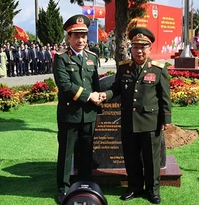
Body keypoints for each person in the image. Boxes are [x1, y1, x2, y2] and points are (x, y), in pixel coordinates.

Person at [104, 27, 171, 204]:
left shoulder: (158, 69)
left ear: (149, 48)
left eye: (143, 47)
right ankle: (134, 187)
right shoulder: (124, 67)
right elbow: (116, 89)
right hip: (129, 121)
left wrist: (166, 119)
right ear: (131, 48)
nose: (139, 51)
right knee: (131, 157)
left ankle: (153, 190)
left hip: (150, 121)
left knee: (151, 159)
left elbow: (165, 96)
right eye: (135, 47)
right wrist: (104, 96)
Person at [53, 14, 102, 203]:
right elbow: (65, 86)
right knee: (66, 153)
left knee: (86, 152)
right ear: (69, 37)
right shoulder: (61, 58)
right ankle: (63, 188)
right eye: (76, 36)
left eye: (83, 35)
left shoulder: (92, 57)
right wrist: (89, 96)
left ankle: (85, 184)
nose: (81, 40)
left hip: (88, 114)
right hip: (69, 114)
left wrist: (98, 104)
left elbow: (95, 84)